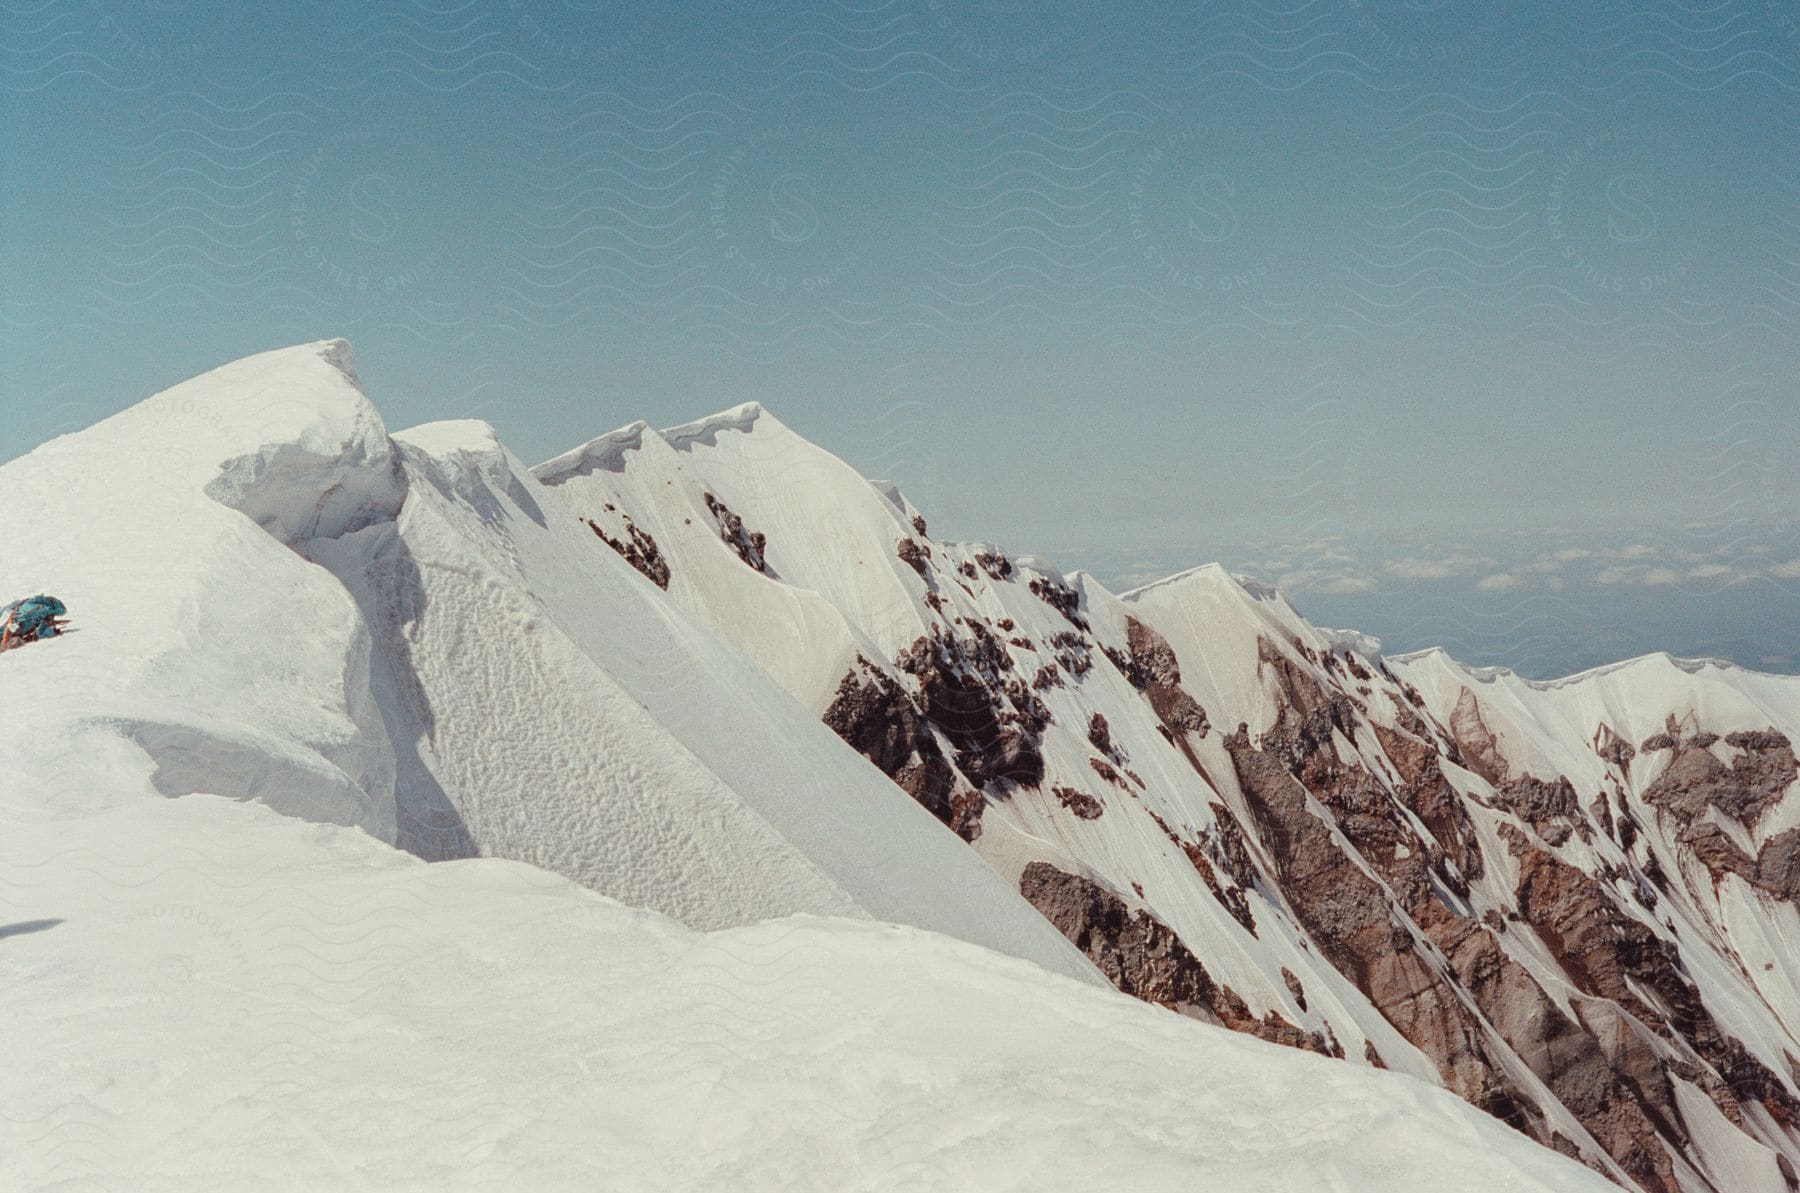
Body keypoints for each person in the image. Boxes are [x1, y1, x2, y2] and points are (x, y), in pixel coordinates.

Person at [0, 595, 68, 653]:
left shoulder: (34, 605)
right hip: (11, 625)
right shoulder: (29, 611)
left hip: (13, 621)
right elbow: (11, 626)